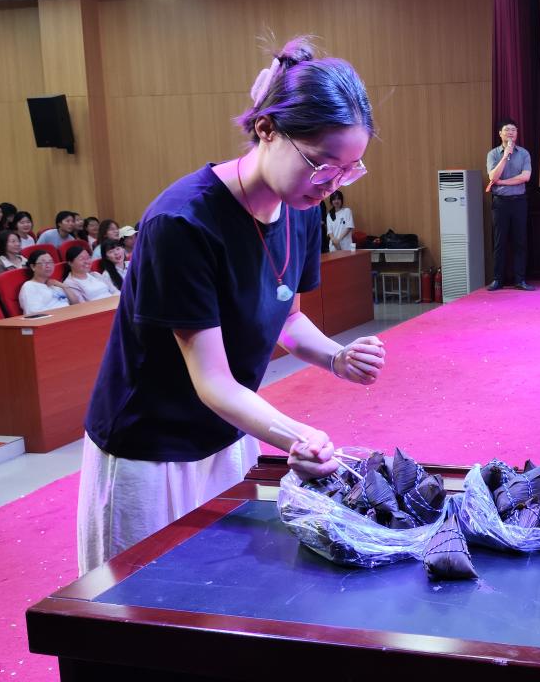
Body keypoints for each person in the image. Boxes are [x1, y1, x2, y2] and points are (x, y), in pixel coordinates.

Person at [77, 36, 386, 575]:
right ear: (266, 129)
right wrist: (297, 436)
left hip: (228, 430)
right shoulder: (183, 223)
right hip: (148, 447)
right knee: (138, 601)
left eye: (349, 170)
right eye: (322, 165)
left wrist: (335, 357)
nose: (331, 185)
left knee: (219, 590)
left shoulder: (301, 208)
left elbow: (287, 318)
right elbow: (213, 380)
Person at [485, 118, 534, 291]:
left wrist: (502, 182)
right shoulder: (493, 154)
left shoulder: (524, 153)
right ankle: (498, 279)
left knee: (520, 241)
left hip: (519, 201)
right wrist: (505, 156)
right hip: (500, 203)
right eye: (507, 130)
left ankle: (520, 280)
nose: (511, 132)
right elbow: (493, 176)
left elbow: (525, 177)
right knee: (500, 242)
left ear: (517, 133)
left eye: (514, 130)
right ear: (500, 134)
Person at [19, 250, 78, 314]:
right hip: (57, 318)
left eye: (50, 262)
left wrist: (64, 286)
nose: (48, 266)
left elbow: (76, 304)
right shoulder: (29, 286)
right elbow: (35, 314)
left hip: (71, 315)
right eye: (43, 262)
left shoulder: (55, 284)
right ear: (33, 267)